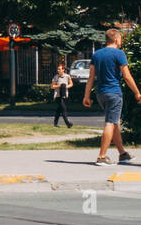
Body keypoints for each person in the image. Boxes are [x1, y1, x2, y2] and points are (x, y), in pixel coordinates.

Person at [82, 29, 140, 165]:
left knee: (115, 123)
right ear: (116, 39)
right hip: (114, 92)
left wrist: (86, 96)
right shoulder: (119, 54)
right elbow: (126, 75)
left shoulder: (97, 54)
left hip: (100, 93)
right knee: (110, 122)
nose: (121, 42)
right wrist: (137, 92)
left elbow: (91, 77)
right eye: (121, 39)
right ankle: (102, 156)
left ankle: (122, 154)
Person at [51, 62, 73, 128]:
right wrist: (59, 86)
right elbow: (52, 86)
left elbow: (71, 84)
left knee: (59, 109)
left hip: (65, 95)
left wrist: (65, 87)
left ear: (63, 70)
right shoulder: (56, 77)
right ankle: (68, 123)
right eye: (57, 69)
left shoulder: (67, 76)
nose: (58, 70)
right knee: (63, 109)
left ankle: (55, 123)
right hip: (58, 95)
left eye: (59, 69)